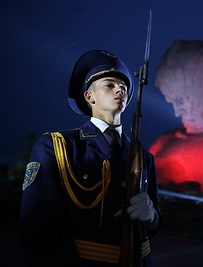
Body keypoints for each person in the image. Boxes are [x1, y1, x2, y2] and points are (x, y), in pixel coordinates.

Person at [19, 50, 161, 266]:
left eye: (123, 86)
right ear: (89, 96)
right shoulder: (58, 146)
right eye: (109, 85)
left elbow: (155, 223)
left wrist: (151, 216)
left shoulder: (143, 157)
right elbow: (36, 226)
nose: (120, 89)